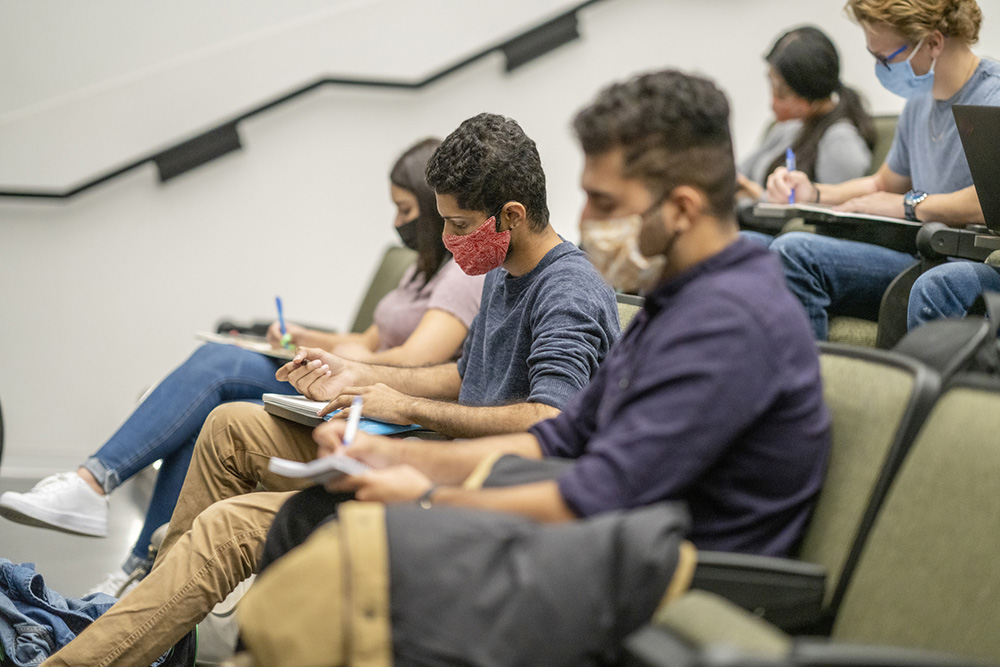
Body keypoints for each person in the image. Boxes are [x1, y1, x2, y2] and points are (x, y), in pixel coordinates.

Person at [237, 68, 831, 664]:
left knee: (352, 549)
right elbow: (558, 438)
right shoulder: (680, 304)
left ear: (681, 208)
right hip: (606, 539)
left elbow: (593, 494)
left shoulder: (730, 322)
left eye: (605, 203)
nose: (589, 221)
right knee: (313, 515)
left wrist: (427, 496)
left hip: (667, 576)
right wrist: (395, 455)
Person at [40, 111, 622, 667]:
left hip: (468, 497)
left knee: (228, 527)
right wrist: (364, 376)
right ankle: (159, 637)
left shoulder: (566, 290)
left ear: (512, 215)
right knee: (229, 426)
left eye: (458, 225)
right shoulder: (502, 271)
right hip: (439, 459)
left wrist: (403, 407)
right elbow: (464, 377)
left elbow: (548, 418)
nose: (445, 239)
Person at [0, 137, 486, 595]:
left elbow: (411, 359)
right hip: (347, 375)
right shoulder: (417, 271)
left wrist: (341, 363)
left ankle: (92, 484)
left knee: (218, 365)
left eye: (405, 210)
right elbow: (367, 339)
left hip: (369, 402)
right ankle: (134, 569)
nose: (398, 223)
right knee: (207, 408)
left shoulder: (460, 276)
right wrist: (302, 336)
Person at [765, 0, 1000, 338]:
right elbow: (883, 183)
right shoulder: (919, 104)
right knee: (770, 248)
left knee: (794, 251)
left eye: (884, 59)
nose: (880, 68)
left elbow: (989, 200)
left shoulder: (993, 97)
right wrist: (815, 193)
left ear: (933, 43)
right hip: (925, 254)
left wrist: (910, 205)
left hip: (969, 263)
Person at [738, 25, 876, 245]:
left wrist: (754, 195)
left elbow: (832, 219)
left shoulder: (840, 142)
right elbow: (740, 172)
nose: (771, 102)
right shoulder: (788, 128)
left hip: (781, 240)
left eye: (781, 92)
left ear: (808, 95)